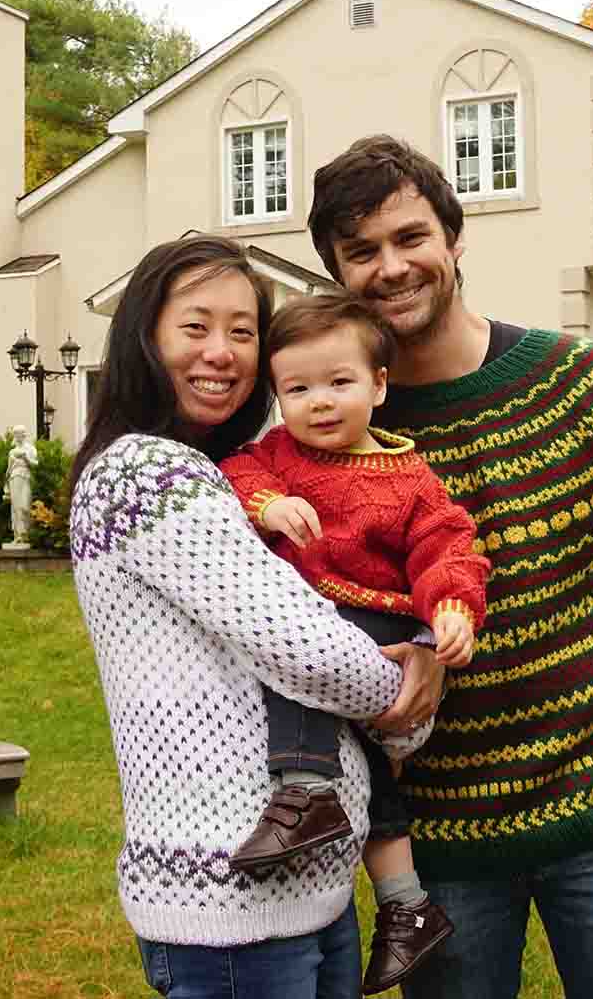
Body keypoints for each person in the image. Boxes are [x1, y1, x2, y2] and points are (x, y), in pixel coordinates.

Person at [306, 136, 593, 999]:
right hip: (436, 847)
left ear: (455, 239)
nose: (391, 268)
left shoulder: (590, 384)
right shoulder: (328, 442)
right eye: (361, 251)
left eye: (410, 237)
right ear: (336, 273)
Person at [67, 234, 421, 999]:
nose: (221, 353)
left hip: (308, 891)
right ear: (144, 337)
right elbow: (308, 648)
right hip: (229, 907)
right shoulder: (145, 474)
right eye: (195, 327)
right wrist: (410, 696)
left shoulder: (228, 476)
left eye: (243, 331)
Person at [220, 292, 490, 995]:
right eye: (297, 390)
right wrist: (270, 505)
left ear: (379, 385)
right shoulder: (278, 455)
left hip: (380, 628)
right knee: (369, 771)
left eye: (339, 382)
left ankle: (305, 791)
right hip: (315, 623)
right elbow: (239, 472)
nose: (319, 402)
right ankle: (406, 905)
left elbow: (448, 550)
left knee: (303, 653)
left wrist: (452, 612)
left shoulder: (410, 481)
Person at [3, 425, 38, 546]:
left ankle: (26, 534)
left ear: (24, 434)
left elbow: (35, 464)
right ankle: (18, 536)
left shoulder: (31, 449)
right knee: (16, 507)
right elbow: (8, 470)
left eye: (19, 433)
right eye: (16, 434)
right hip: (14, 478)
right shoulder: (12, 452)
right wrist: (6, 486)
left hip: (25, 477)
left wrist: (26, 458)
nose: (17, 436)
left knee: (25, 506)